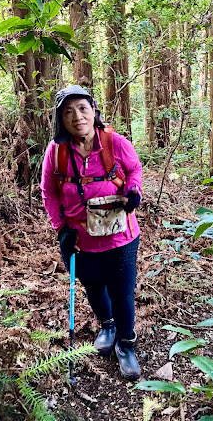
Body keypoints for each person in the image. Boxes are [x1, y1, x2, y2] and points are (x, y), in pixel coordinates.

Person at [40, 85, 142, 380]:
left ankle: (126, 344)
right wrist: (60, 228)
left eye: (82, 108)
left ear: (93, 111)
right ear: (61, 119)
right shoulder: (56, 152)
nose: (77, 116)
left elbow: (134, 170)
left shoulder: (114, 142)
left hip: (119, 237)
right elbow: (49, 192)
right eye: (68, 111)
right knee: (94, 287)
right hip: (78, 239)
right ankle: (107, 326)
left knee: (122, 292)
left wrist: (133, 191)